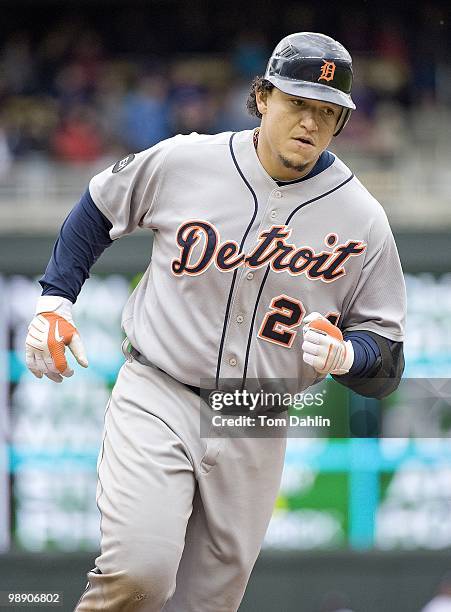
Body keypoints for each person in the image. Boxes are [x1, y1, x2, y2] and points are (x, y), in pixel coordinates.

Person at [25, 32, 406, 611]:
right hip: (161, 387)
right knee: (139, 575)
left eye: (327, 112)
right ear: (261, 97)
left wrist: (349, 355)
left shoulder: (362, 219)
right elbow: (97, 209)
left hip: (258, 413)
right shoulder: (186, 160)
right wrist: (56, 300)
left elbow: (388, 356)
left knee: (205, 605)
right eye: (297, 103)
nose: (310, 122)